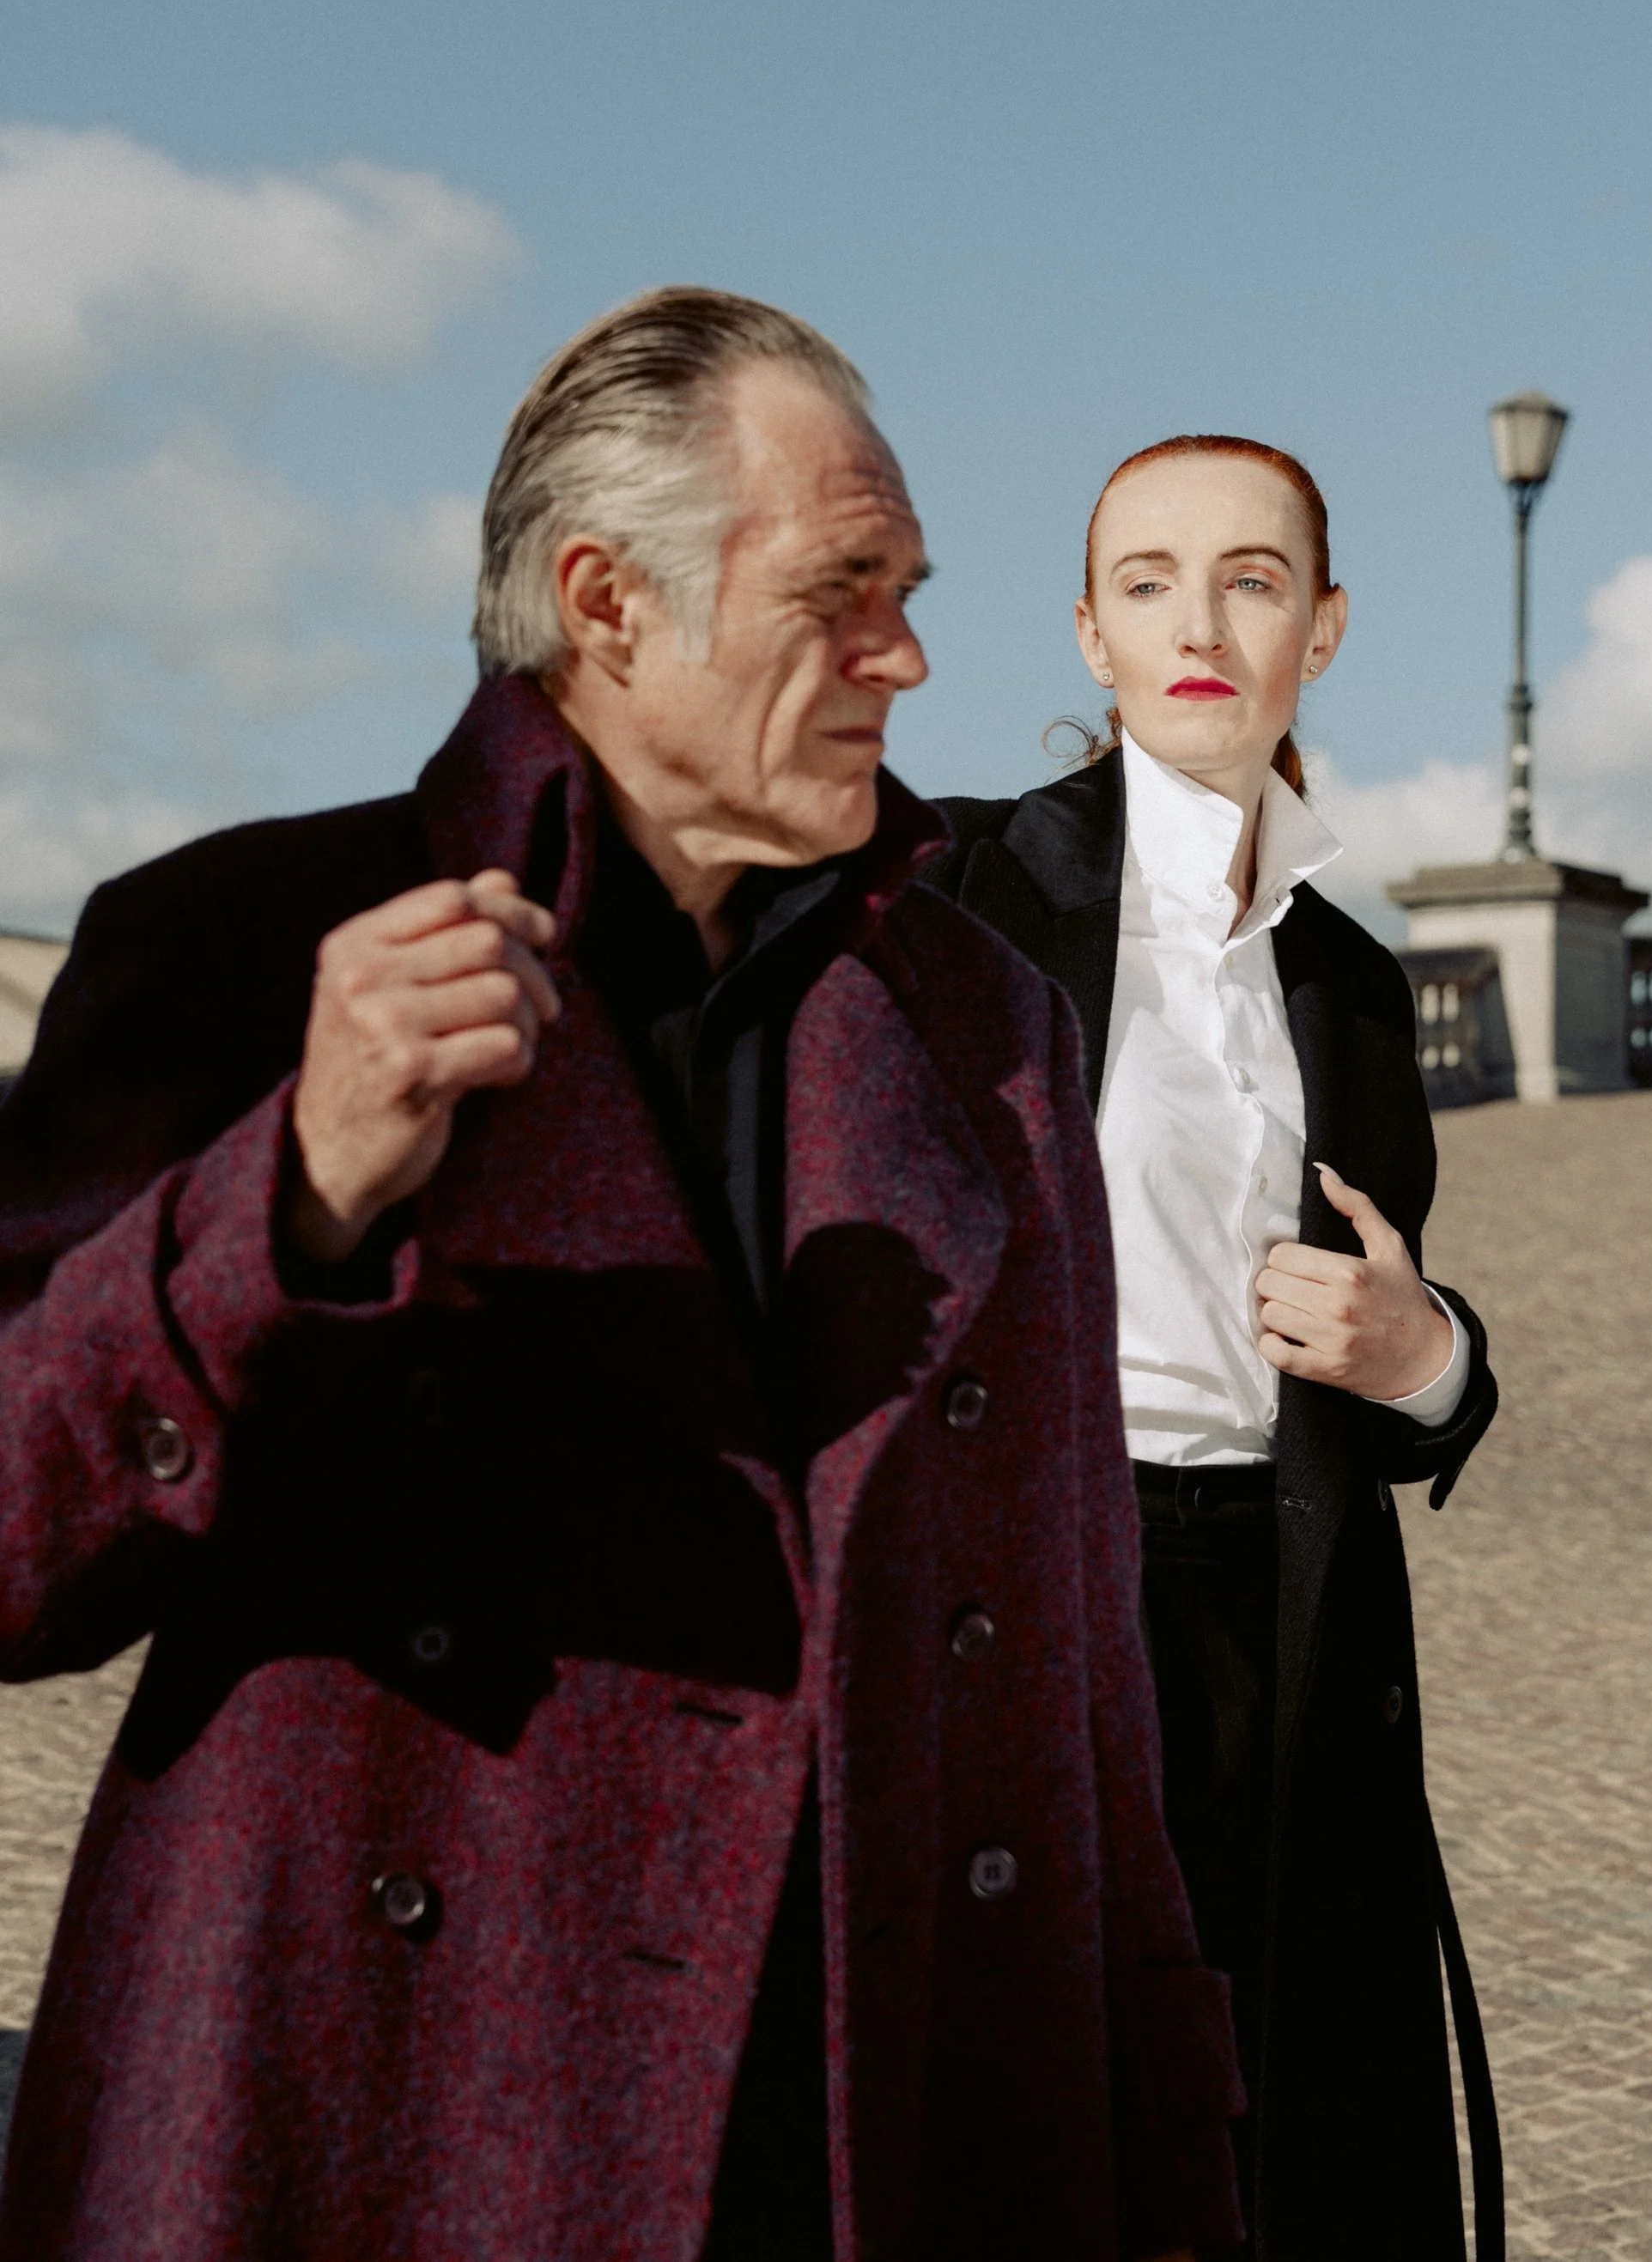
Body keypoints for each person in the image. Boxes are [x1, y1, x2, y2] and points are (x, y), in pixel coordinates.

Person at [0, 299, 1242, 2261]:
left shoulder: (984, 1021)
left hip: (868, 2136)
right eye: (842, 594)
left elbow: (1081, 1675)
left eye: (907, 592)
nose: (905, 657)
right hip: (381, 2132)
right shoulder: (240, 941)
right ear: (605, 600)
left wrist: (1169, 2158)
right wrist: (288, 1199)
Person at [924, 435, 1503, 2262]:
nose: (1201, 620)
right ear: (1088, 633)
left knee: (1287, 2141)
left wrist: (1422, 1355)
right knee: (1047, 2138)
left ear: (1319, 631)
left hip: (1287, 1606)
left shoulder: (1346, 972)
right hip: (1033, 1587)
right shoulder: (951, 900)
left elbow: (1415, 1381)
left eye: (1252, 579)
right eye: (1149, 581)